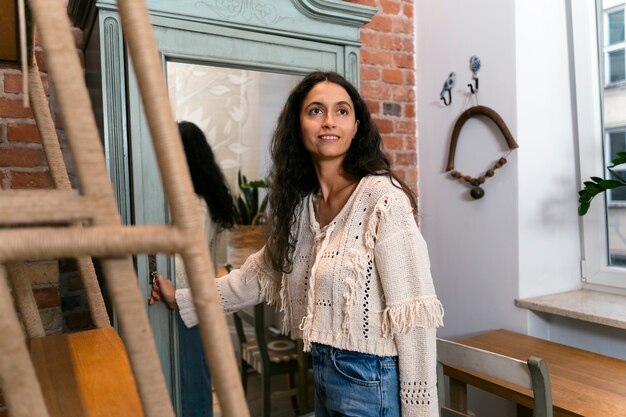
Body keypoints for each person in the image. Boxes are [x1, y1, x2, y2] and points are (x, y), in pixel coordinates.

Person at [150, 71, 444, 417]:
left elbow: (414, 317)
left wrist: (420, 411)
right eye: (316, 111)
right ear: (299, 125)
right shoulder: (304, 207)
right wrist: (181, 298)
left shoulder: (382, 199)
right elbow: (255, 277)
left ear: (357, 126)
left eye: (342, 111)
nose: (329, 121)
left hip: (373, 380)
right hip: (321, 370)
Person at [172, 120, 236, 417]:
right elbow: (216, 259)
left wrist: (161, 284)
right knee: (197, 381)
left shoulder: (191, 205)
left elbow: (182, 262)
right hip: (200, 301)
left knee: (192, 386)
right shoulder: (210, 200)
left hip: (187, 304)